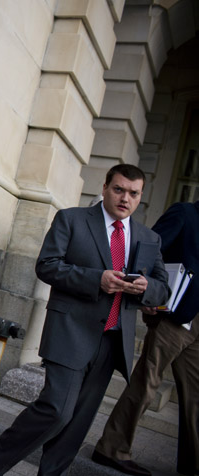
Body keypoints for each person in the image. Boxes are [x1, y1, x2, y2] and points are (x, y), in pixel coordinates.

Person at [0, 164, 171, 476]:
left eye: (133, 194)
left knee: (77, 424)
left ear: (140, 197)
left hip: (112, 340)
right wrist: (96, 279)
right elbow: (47, 266)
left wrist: (148, 288)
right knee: (56, 410)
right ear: (106, 187)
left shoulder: (149, 238)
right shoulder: (72, 219)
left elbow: (163, 289)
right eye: (119, 189)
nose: (125, 198)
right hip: (70, 331)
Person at [92, 200, 199, 476]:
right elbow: (149, 250)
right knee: (147, 382)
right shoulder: (186, 213)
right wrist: (147, 292)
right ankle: (112, 448)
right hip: (175, 316)